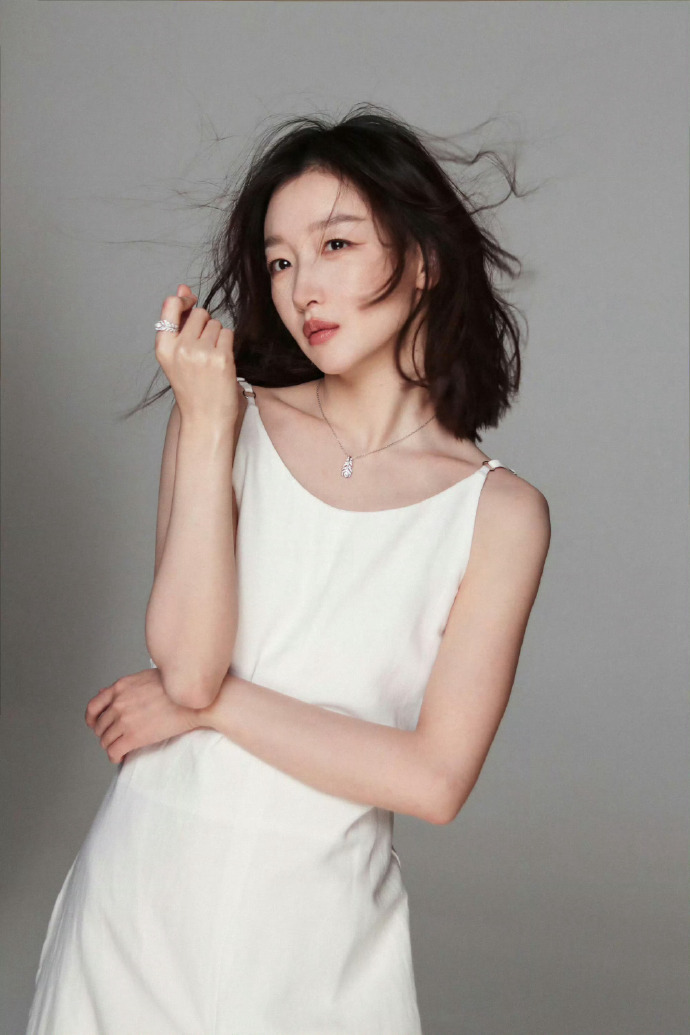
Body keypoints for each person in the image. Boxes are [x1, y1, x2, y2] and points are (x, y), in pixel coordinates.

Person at [26, 104, 551, 1034]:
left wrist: (212, 707)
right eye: (278, 261)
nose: (303, 287)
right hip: (138, 909)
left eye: (336, 244)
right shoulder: (223, 419)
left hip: (320, 940)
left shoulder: (499, 513)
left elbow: (434, 780)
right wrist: (209, 421)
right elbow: (187, 664)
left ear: (424, 261)